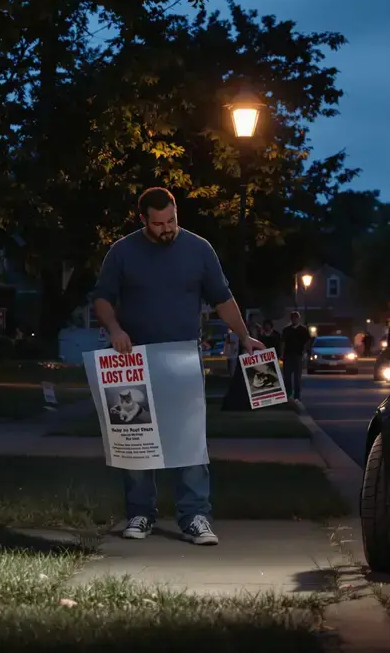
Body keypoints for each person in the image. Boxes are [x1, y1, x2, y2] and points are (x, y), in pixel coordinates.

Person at [93, 186, 265, 546]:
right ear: (143, 220)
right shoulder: (122, 252)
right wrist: (115, 329)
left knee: (189, 439)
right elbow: (103, 299)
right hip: (133, 361)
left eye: (172, 220)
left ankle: (195, 516)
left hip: (183, 358)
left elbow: (222, 299)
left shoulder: (199, 249)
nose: (167, 228)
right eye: (159, 224)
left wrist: (245, 337)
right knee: (136, 438)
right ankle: (140, 513)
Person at [281, 311, 311, 401]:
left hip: (298, 355)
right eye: (293, 318)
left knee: (297, 377)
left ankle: (297, 395)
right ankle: (288, 394)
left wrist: (304, 352)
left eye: (296, 318)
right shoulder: (286, 330)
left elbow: (307, 342)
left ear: (298, 319)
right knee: (287, 376)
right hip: (288, 355)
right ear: (291, 319)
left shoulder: (303, 330)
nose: (295, 319)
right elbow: (283, 342)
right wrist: (282, 354)